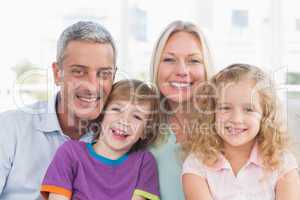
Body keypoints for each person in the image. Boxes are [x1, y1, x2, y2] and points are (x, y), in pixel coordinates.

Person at [0, 21, 117, 199]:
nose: (92, 86)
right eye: (79, 72)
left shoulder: (122, 139)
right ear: (57, 74)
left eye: (104, 74)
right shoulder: (9, 129)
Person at [182, 64, 300, 200]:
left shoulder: (282, 163)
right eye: (225, 108)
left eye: (248, 109)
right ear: (211, 113)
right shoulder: (196, 165)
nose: (236, 119)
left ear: (265, 115)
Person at [40, 79, 160, 200]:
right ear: (102, 114)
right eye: (116, 109)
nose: (124, 121)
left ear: (145, 131)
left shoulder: (144, 161)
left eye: (137, 116)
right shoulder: (70, 153)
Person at [149, 20, 214, 199]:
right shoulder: (142, 126)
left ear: (206, 67)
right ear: (156, 66)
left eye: (193, 60)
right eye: (169, 59)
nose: (182, 71)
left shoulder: (228, 125)